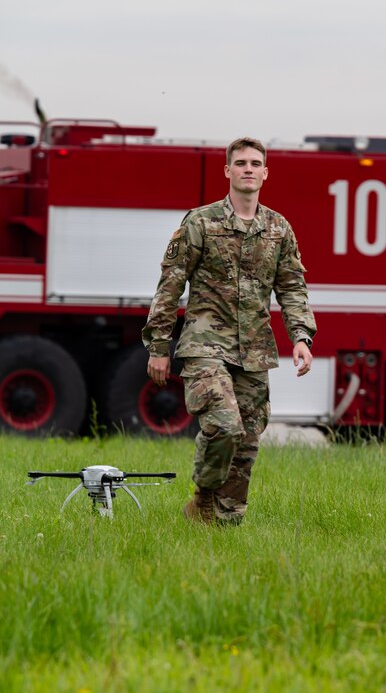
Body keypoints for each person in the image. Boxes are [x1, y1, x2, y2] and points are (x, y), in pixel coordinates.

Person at [142, 137, 316, 525]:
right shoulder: (200, 222)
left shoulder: (278, 228)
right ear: (228, 171)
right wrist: (158, 346)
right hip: (205, 345)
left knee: (247, 444)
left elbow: (291, 287)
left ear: (266, 173)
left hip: (254, 350)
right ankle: (203, 498)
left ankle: (224, 525)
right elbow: (170, 285)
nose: (248, 169)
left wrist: (301, 337)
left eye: (256, 163)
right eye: (240, 163)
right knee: (224, 425)